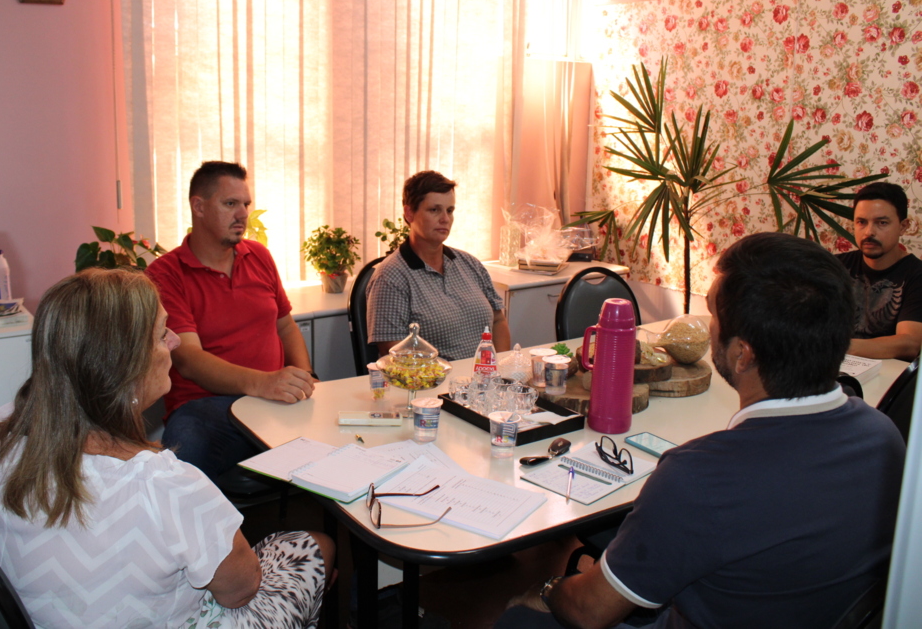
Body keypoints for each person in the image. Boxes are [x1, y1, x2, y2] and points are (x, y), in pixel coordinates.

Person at [499, 232, 905, 629]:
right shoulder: (883, 435)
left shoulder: (701, 477)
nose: (707, 327)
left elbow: (590, 611)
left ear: (742, 355)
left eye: (713, 315)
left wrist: (549, 587)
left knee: (517, 616)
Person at [0, 269, 334, 629]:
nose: (175, 341)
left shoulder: (2, 435)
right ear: (124, 365)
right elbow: (241, 588)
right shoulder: (163, 485)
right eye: (162, 334)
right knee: (314, 545)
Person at [146, 161, 316, 482]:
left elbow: (285, 326)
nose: (243, 214)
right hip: (207, 409)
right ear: (198, 206)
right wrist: (263, 383)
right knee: (182, 463)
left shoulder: (259, 256)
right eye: (230, 204)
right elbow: (189, 361)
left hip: (273, 400)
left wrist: (304, 377)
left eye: (246, 204)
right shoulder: (165, 274)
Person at [366, 170, 510, 361]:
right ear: (409, 213)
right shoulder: (391, 276)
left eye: (449, 211)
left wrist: (497, 370)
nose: (445, 219)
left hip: (485, 378)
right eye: (434, 210)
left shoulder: (469, 263)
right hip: (434, 384)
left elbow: (498, 321)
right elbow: (393, 353)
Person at [837, 181, 922, 360]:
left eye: (882, 222)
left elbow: (909, 344)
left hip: (889, 378)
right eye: (861, 222)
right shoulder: (836, 266)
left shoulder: (916, 274)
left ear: (903, 226)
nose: (869, 232)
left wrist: (839, 346)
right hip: (836, 371)